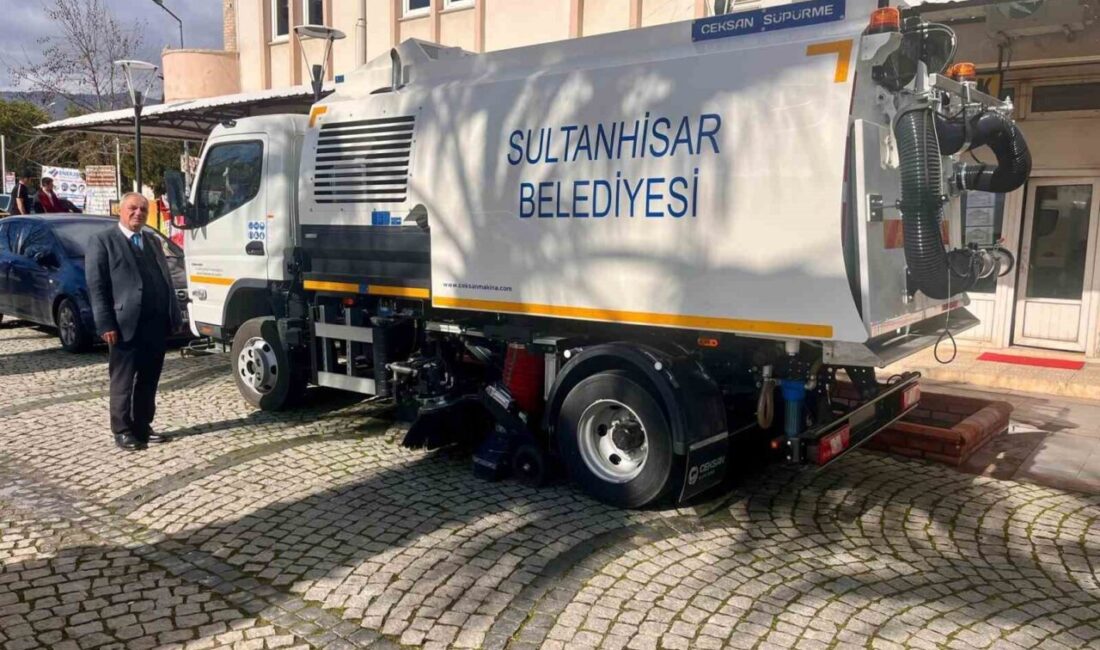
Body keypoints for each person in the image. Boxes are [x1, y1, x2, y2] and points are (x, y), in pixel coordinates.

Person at [85, 192, 183, 451]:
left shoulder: (150, 240)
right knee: (123, 380)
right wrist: (105, 324)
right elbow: (97, 287)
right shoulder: (103, 241)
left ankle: (142, 424)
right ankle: (122, 429)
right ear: (121, 210)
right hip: (123, 324)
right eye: (132, 208)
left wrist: (174, 314)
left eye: (143, 209)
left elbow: (166, 279)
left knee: (149, 379)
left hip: (155, 323)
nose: (138, 213)